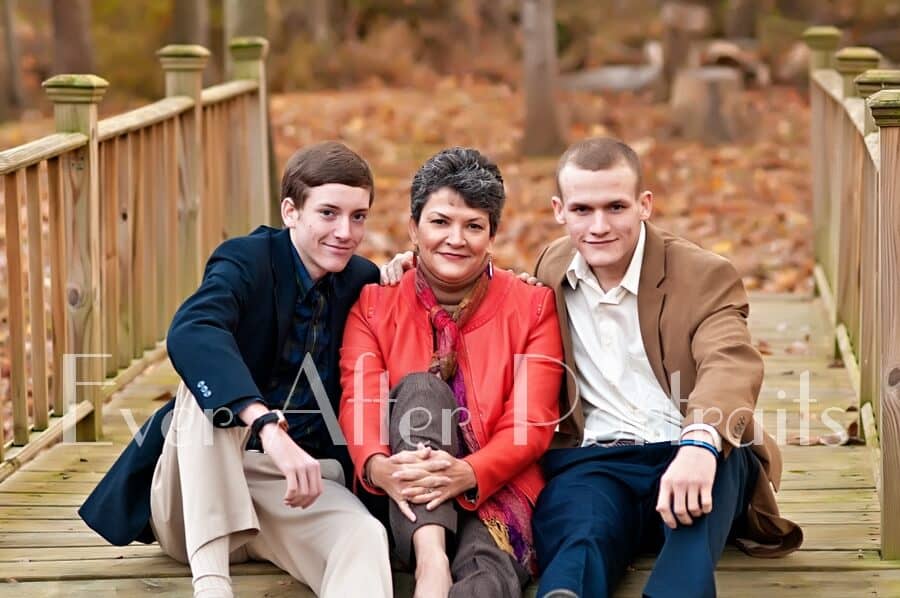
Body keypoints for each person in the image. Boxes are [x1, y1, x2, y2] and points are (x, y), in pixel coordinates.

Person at [79, 141, 393, 598]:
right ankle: (212, 587)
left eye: (358, 216)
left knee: (364, 537)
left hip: (291, 492)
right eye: (328, 213)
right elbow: (192, 329)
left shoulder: (361, 278)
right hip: (194, 497)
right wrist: (265, 424)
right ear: (290, 211)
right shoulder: (245, 260)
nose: (345, 231)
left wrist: (410, 270)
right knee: (207, 393)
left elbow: (422, 303)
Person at [530, 137, 803, 598]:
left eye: (616, 207)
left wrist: (700, 443)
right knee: (579, 529)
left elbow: (728, 360)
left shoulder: (702, 274)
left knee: (714, 477)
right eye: (582, 210)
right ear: (560, 210)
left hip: (690, 451)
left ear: (645, 205)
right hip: (598, 460)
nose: (599, 226)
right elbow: (481, 293)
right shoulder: (550, 268)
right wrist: (408, 269)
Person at [338, 147, 564, 598]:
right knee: (423, 390)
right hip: (404, 496)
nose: (455, 239)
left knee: (487, 571)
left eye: (473, 226)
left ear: (492, 235)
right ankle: (432, 565)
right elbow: (358, 397)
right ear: (413, 228)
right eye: (440, 222)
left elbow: (531, 421)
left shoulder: (532, 306)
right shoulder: (375, 304)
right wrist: (377, 466)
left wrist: (468, 472)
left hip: (498, 489)